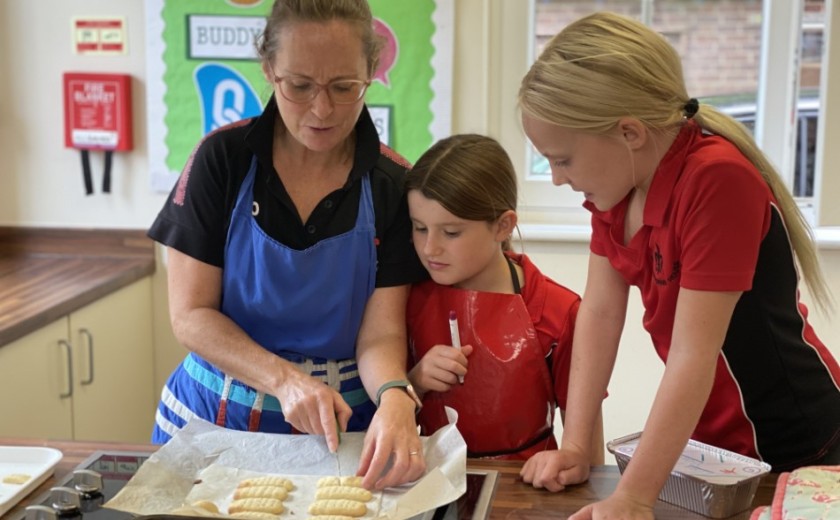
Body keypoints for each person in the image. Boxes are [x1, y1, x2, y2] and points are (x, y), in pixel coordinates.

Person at [516, 10, 840, 519]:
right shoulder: (616, 191)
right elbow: (599, 316)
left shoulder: (717, 181)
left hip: (797, 445)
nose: (557, 178)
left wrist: (634, 496)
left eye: (563, 159)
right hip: (718, 448)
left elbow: (694, 353)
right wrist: (577, 444)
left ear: (629, 132)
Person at [147, 0, 428, 490]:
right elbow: (190, 314)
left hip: (343, 434)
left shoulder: (392, 184)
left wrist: (395, 395)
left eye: (344, 87)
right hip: (211, 421)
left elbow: (380, 334)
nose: (322, 109)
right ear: (269, 70)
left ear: (371, 72)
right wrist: (284, 380)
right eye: (299, 86)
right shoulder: (223, 161)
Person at [404, 134, 605, 463]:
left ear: (503, 226)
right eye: (419, 228)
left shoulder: (558, 311)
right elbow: (385, 407)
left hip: (527, 488)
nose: (430, 248)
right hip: (430, 478)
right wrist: (415, 381)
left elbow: (586, 446)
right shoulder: (407, 299)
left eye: (451, 232)